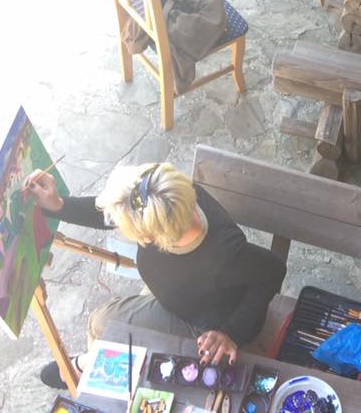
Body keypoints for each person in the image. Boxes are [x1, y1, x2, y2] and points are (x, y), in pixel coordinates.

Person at [25, 162, 286, 388]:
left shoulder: (224, 256)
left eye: (126, 228)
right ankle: (89, 364)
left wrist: (231, 332)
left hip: (202, 322)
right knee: (108, 322)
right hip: (184, 292)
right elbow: (117, 211)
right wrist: (59, 206)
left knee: (100, 322)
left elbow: (274, 269)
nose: (117, 225)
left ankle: (84, 369)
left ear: (149, 237)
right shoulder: (169, 198)